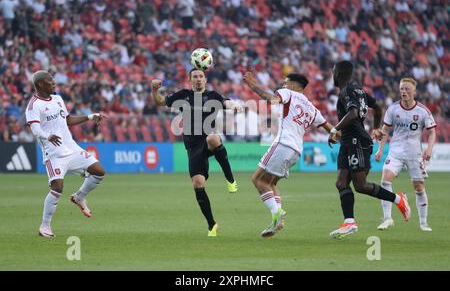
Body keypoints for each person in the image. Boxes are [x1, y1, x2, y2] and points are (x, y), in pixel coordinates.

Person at [243, 72, 337, 238]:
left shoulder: (288, 93)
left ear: (295, 85)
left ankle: (276, 212)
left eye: (286, 82)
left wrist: (252, 86)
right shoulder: (312, 108)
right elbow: (332, 129)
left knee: (257, 179)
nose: (283, 85)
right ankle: (276, 222)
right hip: (296, 150)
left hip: (283, 143)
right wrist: (338, 135)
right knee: (271, 184)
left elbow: (271, 100)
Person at [151, 68, 240, 237]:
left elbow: (227, 102)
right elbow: (160, 102)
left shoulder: (213, 96)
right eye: (195, 77)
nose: (198, 79)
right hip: (192, 147)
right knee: (198, 184)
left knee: (213, 138)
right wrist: (154, 89)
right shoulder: (183, 95)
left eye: (201, 76)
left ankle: (230, 179)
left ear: (205, 79)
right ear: (190, 80)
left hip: (207, 140)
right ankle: (211, 225)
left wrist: (234, 105)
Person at [328, 60, 411, 239]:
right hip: (348, 142)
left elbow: (353, 113)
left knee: (360, 185)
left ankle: (399, 199)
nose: (332, 75)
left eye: (334, 71)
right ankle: (349, 222)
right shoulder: (358, 90)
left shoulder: (347, 91)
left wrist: (335, 129)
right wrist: (376, 128)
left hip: (357, 141)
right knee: (341, 183)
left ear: (339, 73)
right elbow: (378, 107)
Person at [25, 70, 106, 238]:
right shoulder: (34, 105)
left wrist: (90, 116)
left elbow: (68, 120)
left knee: (99, 172)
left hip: (72, 149)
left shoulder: (58, 99)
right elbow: (35, 128)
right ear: (40, 84)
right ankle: (45, 227)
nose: (54, 83)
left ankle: (79, 197)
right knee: (57, 188)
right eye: (50, 81)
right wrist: (47, 136)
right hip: (53, 154)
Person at [375, 77, 436, 231]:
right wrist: (380, 149)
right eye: (402, 88)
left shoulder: (423, 111)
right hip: (395, 152)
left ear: (414, 91)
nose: (404, 91)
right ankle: (387, 218)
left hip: (414, 154)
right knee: (385, 180)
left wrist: (429, 149)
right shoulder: (393, 109)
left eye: (407, 89)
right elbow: (385, 130)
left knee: (419, 186)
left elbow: (432, 132)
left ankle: (423, 222)